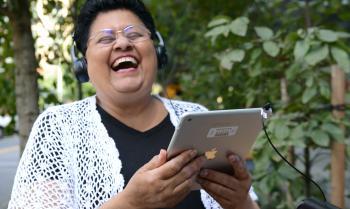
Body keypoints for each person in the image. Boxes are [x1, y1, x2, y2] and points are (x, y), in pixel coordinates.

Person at [8, 0, 260, 208]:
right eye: (105, 39)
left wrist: (241, 203)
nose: (122, 43)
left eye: (134, 34)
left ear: (156, 50)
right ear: (83, 63)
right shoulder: (57, 128)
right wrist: (130, 204)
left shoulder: (197, 116)